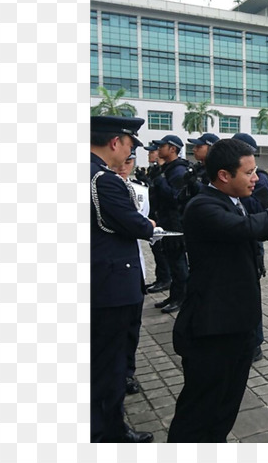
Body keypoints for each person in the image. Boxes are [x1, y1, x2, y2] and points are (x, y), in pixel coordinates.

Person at [167, 138, 268, 442]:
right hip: (211, 331)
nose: (256, 178)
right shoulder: (203, 206)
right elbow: (248, 229)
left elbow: (263, 223)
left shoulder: (233, 201)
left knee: (224, 410)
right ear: (223, 175)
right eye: (248, 173)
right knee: (199, 412)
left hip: (235, 327)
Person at [90, 115, 156, 443]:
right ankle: (108, 433)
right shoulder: (103, 179)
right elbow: (137, 225)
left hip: (98, 280)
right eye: (130, 145)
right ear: (116, 142)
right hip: (111, 286)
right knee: (109, 364)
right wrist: (148, 225)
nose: (130, 152)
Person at [231, 132, 268, 362]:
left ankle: (255, 343)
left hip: (251, 240)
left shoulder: (261, 178)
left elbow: (259, 210)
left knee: (250, 293)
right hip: (238, 236)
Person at [110, 149, 150, 396]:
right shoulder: (103, 186)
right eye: (123, 160)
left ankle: (127, 372)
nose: (125, 166)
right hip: (114, 268)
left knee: (131, 326)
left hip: (134, 263)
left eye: (130, 161)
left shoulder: (140, 190)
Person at [150, 134, 189, 314]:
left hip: (175, 224)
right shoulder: (169, 168)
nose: (158, 150)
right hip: (166, 221)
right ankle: (174, 295)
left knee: (178, 263)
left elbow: (175, 198)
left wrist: (159, 181)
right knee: (172, 262)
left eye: (162, 146)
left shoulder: (178, 171)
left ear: (172, 149)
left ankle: (181, 297)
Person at [143, 143, 171, 295]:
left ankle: (165, 279)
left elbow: (169, 194)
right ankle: (161, 277)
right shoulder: (155, 169)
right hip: (155, 213)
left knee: (161, 251)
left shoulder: (166, 170)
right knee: (156, 249)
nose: (150, 154)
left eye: (152, 152)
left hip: (164, 216)